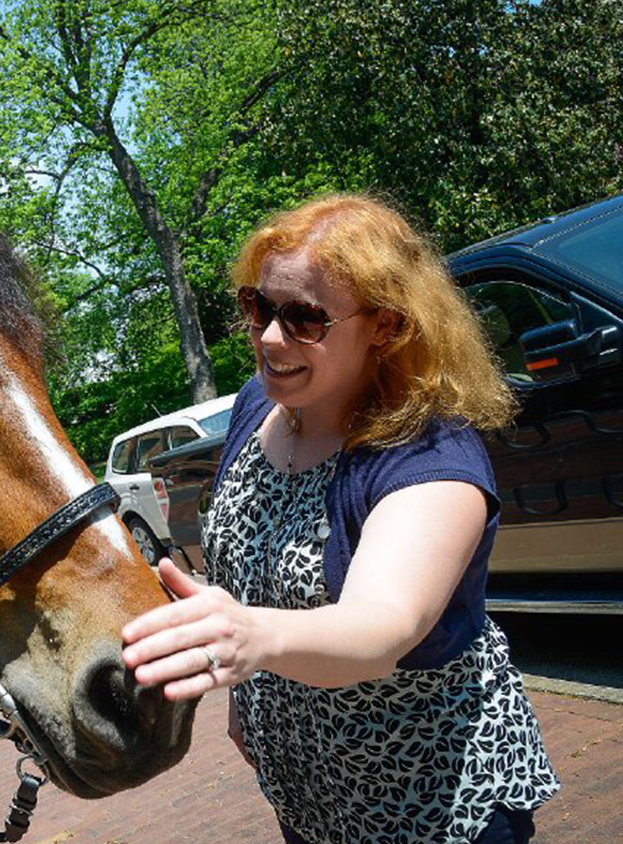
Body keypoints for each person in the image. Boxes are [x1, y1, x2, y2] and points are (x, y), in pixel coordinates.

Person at [120, 195, 559, 844]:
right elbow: (248, 567)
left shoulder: (427, 454)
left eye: (304, 318)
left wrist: (249, 640)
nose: (270, 337)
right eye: (259, 306)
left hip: (432, 805)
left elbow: (380, 628)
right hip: (314, 803)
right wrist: (248, 696)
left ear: (384, 325)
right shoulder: (256, 406)